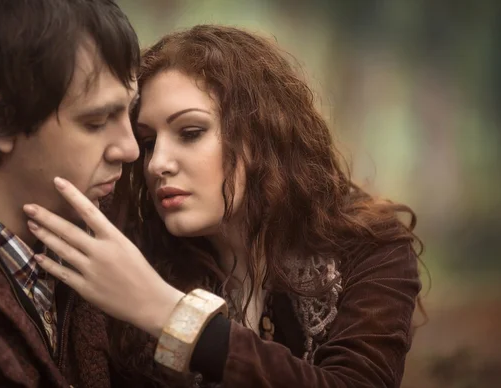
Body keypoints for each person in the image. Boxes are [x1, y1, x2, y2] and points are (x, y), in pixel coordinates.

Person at [27, 25, 423, 387]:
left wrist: (163, 310)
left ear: (261, 135)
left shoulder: (370, 245)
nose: (157, 163)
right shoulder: (132, 245)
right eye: (148, 141)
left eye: (191, 132)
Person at [0, 0, 142, 386]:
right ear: (0, 124)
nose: (131, 149)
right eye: (95, 122)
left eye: (130, 113)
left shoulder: (116, 218)